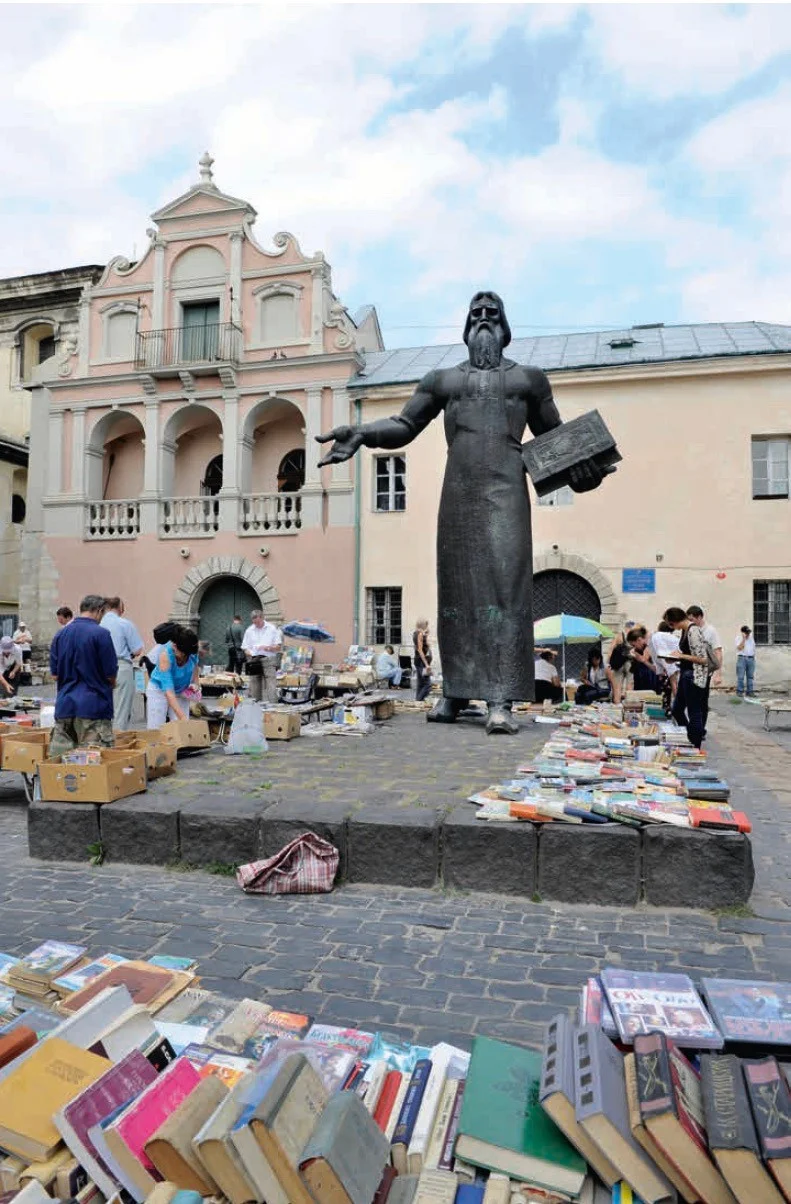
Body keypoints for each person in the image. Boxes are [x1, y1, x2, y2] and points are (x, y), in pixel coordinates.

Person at [317, 291, 607, 735]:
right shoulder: (443, 380)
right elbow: (405, 425)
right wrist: (362, 432)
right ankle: (456, 689)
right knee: (455, 589)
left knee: (506, 589)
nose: (485, 320)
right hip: (458, 492)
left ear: (505, 326)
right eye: (477, 314)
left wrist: (589, 472)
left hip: (508, 489)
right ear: (466, 325)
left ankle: (500, 697)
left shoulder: (529, 380)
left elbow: (558, 442)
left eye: (493, 314)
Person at [48, 595, 118, 758]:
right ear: (99, 611)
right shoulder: (101, 634)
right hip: (93, 705)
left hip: (65, 705)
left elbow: (55, 675)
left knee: (62, 763)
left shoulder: (60, 635)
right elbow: (110, 675)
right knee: (93, 763)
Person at [663, 606, 709, 749]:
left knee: (694, 711)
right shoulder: (685, 631)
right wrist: (674, 659)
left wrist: (681, 656)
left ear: (675, 621)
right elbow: (687, 655)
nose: (672, 627)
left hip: (694, 676)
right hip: (685, 674)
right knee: (677, 709)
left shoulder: (693, 630)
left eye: (670, 624)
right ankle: (690, 736)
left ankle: (695, 745)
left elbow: (702, 659)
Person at [101, 596, 144, 731]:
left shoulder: (98, 624)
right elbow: (137, 650)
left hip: (99, 666)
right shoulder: (124, 623)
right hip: (121, 665)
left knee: (103, 705)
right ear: (120, 607)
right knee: (121, 708)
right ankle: (117, 739)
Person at [146, 626, 200, 727]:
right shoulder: (166, 656)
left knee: (182, 728)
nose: (173, 646)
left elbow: (195, 666)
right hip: (159, 690)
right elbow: (169, 693)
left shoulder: (192, 652)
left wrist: (196, 684)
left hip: (181, 691)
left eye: (188, 655)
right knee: (156, 727)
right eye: (183, 654)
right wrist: (182, 717)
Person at [686, 605, 722, 737]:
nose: (690, 622)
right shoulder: (690, 630)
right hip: (692, 673)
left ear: (700, 617)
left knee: (702, 702)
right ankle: (696, 727)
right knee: (692, 702)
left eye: (692, 619)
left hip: (706, 672)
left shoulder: (710, 631)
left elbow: (718, 651)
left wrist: (718, 674)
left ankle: (701, 729)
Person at [242, 610, 283, 703]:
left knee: (271, 686)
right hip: (254, 660)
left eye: (258, 622)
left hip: (268, 659)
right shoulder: (249, 630)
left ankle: (273, 707)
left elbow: (278, 646)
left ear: (262, 618)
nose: (256, 624)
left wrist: (268, 648)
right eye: (254, 622)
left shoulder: (272, 628)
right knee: (255, 686)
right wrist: (251, 653)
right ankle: (256, 708)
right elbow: (245, 648)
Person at [650, 620, 681, 713]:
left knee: (672, 685)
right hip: (678, 662)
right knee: (675, 684)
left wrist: (659, 670)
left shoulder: (656, 637)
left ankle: (676, 705)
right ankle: (678, 704)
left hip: (667, 663)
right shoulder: (674, 637)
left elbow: (655, 654)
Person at [626, 626, 661, 693]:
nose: (633, 647)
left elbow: (645, 659)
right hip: (641, 676)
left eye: (633, 645)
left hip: (649, 676)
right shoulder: (641, 648)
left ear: (639, 640)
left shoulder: (649, 646)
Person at [608, 621, 636, 704]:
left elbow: (611, 649)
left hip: (618, 664)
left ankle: (617, 705)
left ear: (625, 627)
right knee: (629, 685)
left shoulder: (619, 636)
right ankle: (628, 705)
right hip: (630, 664)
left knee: (617, 686)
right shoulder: (634, 636)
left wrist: (609, 663)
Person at [413, 619, 432, 702]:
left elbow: (426, 645)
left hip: (418, 661)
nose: (427, 627)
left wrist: (426, 635)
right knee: (427, 684)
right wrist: (426, 664)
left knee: (420, 683)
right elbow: (420, 650)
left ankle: (418, 700)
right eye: (426, 625)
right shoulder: (419, 634)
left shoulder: (416, 633)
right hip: (421, 662)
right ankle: (419, 700)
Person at [735, 625, 756, 697]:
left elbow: (753, 648)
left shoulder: (751, 638)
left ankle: (750, 691)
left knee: (750, 676)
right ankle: (740, 691)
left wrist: (753, 657)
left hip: (751, 659)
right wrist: (743, 639)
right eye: (746, 633)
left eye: (749, 632)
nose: (748, 634)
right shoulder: (738, 638)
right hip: (742, 658)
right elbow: (740, 648)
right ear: (743, 633)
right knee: (740, 676)